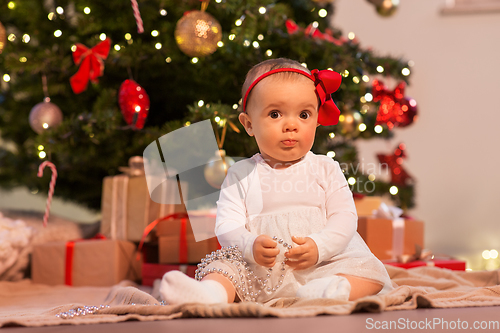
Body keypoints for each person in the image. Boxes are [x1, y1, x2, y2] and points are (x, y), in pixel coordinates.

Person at [160, 58, 393, 304]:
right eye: (275, 114)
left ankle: (334, 289)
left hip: (323, 262)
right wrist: (250, 245)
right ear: (249, 124)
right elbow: (227, 225)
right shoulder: (241, 173)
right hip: (261, 269)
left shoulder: (325, 168)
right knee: (223, 267)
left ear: (316, 119)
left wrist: (319, 246)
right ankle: (210, 295)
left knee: (368, 270)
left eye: (304, 114)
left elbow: (344, 218)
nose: (291, 125)